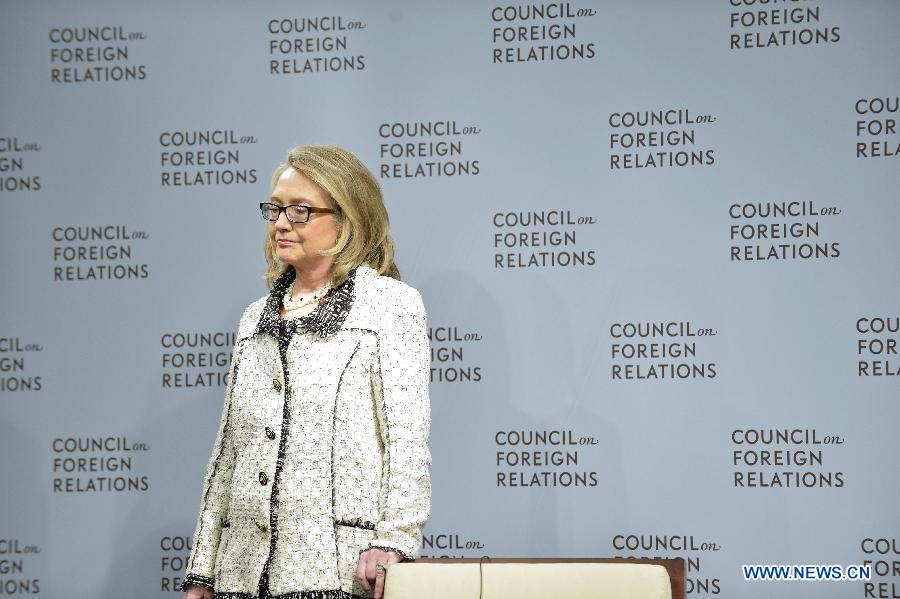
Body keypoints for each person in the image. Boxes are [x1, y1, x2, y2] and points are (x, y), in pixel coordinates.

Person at [181, 145, 431, 599]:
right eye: (275, 209)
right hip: (241, 573)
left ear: (348, 216)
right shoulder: (254, 316)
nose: (280, 223)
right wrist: (203, 570)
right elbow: (229, 453)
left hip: (335, 569)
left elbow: (406, 440)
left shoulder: (390, 305)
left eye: (300, 210)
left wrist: (394, 539)